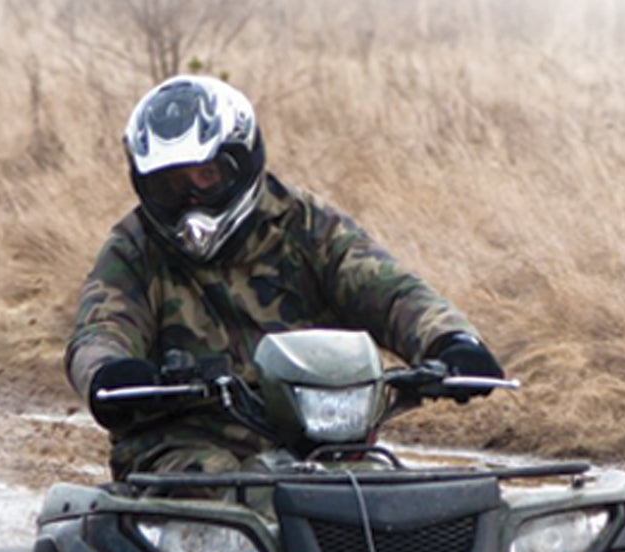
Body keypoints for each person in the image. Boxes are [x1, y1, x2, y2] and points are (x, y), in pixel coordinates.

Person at [66, 75, 504, 480]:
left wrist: (450, 341)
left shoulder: (306, 224)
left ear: (241, 161)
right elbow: (101, 329)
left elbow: (387, 289)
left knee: (388, 500)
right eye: (170, 185)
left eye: (205, 175)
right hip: (181, 444)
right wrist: (111, 374)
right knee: (223, 488)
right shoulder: (134, 247)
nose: (192, 197)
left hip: (322, 440)